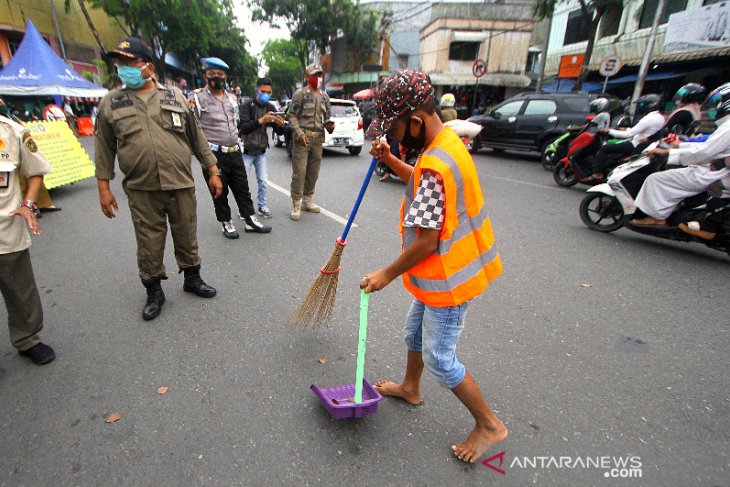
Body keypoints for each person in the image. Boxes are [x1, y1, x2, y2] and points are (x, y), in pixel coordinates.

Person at [362, 70, 506, 464]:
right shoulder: (443, 145)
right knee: (413, 331)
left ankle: (489, 424)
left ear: (415, 121)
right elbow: (421, 185)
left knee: (441, 358)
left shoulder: (437, 159)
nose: (393, 134)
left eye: (394, 128)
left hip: (448, 278)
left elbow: (427, 239)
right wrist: (391, 159)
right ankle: (411, 387)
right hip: (438, 273)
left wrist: (386, 273)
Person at [95, 37, 222, 321]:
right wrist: (104, 187)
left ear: (148, 67)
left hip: (180, 182)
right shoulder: (111, 103)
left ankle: (192, 278)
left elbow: (196, 137)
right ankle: (154, 291)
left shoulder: (175, 96)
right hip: (142, 189)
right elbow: (104, 147)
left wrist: (213, 170)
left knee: (187, 233)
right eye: (120, 64)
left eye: (129, 63)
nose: (123, 68)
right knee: (148, 241)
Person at [191, 57, 271, 238]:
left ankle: (250, 219)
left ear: (225, 76)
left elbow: (236, 124)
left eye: (220, 74)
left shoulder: (232, 98)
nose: (216, 77)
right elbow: (193, 128)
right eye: (212, 74)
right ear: (205, 76)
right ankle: (226, 221)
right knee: (220, 190)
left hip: (234, 151)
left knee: (242, 187)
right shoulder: (197, 98)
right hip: (213, 154)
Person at [631, 83, 730, 227]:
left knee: (656, 179)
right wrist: (681, 145)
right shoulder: (722, 124)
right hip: (715, 169)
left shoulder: (727, 126)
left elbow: (705, 151)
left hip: (713, 172)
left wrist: (669, 153)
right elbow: (706, 145)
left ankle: (658, 218)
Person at [0, 115, 56, 365]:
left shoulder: (13, 132)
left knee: (20, 291)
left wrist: (28, 204)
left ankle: (27, 339)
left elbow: (36, 171)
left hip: (6, 229)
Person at [286, 63, 334, 221]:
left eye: (319, 75)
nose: (317, 78)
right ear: (307, 76)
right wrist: (299, 133)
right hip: (302, 139)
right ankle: (296, 203)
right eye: (314, 75)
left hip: (318, 139)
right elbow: (291, 115)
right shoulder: (299, 94)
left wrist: (330, 126)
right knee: (299, 172)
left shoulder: (325, 96)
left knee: (313, 172)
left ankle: (308, 199)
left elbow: (327, 119)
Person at [587, 94, 666, 182]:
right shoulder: (660, 117)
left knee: (605, 148)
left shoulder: (649, 118)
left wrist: (609, 131)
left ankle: (597, 174)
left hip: (635, 144)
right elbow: (641, 131)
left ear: (651, 105)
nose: (640, 107)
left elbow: (628, 134)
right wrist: (625, 128)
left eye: (642, 104)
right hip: (644, 144)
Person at [238, 77, 285, 219]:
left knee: (263, 181)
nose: (266, 94)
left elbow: (279, 132)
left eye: (269, 92)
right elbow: (244, 128)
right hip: (246, 151)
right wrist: (261, 121)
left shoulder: (270, 107)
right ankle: (244, 209)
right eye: (263, 91)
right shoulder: (246, 105)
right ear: (256, 90)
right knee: (243, 183)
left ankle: (262, 206)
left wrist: (280, 125)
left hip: (261, 152)